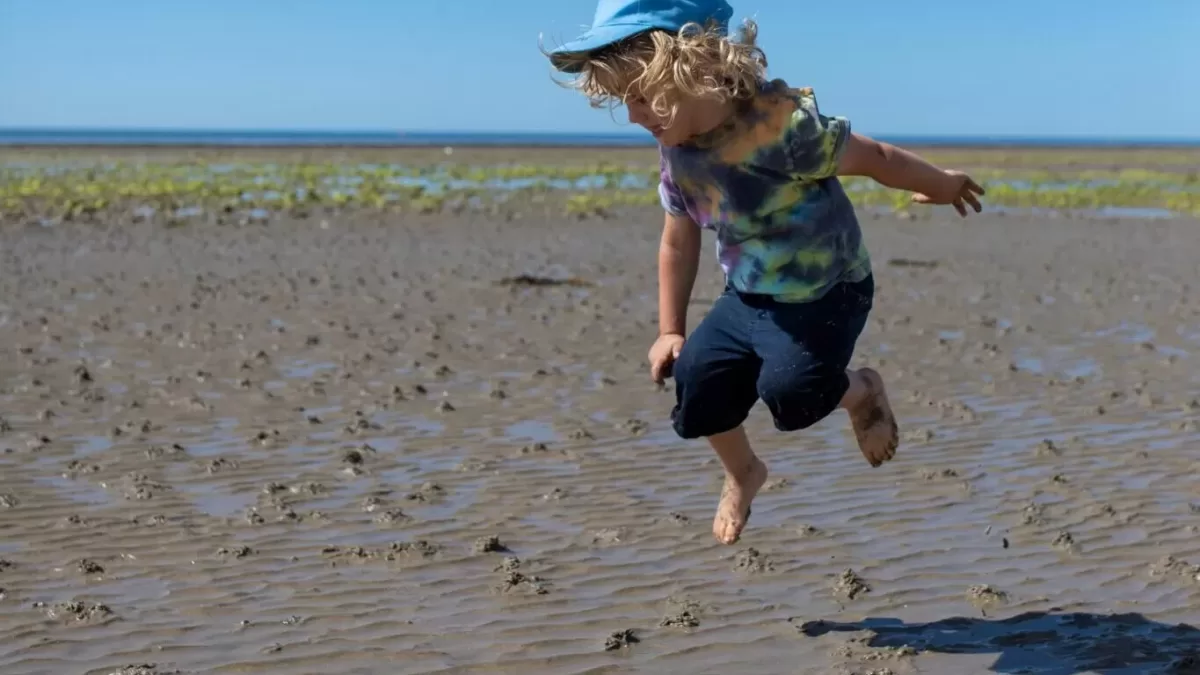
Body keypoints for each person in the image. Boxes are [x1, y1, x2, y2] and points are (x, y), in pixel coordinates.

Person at [544, 0, 985, 545]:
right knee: (695, 383)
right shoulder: (677, 152)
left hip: (828, 290)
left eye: (640, 97)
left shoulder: (783, 126)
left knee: (793, 394)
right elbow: (676, 242)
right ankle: (743, 473)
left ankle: (862, 392)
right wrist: (670, 330)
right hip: (749, 295)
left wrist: (942, 185)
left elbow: (878, 158)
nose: (633, 116)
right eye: (623, 102)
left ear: (693, 64)